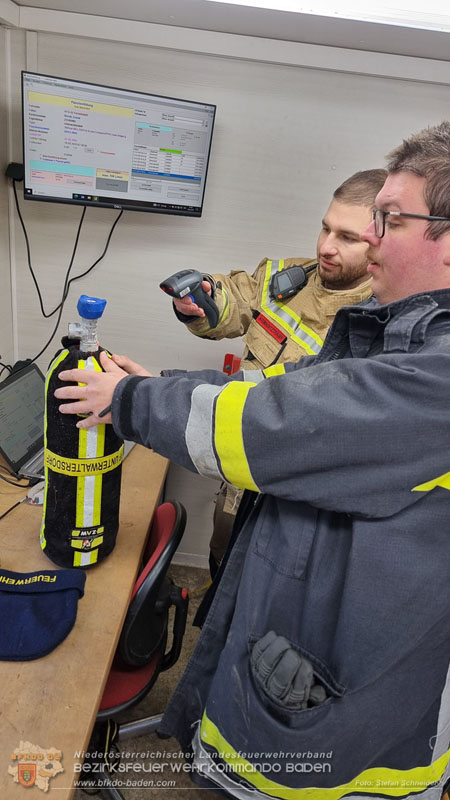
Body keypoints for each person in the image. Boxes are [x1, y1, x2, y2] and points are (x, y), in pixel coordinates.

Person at [55, 121, 450, 800]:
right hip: (302, 598)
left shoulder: (433, 371)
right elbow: (282, 393)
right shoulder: (396, 332)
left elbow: (278, 427)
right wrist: (159, 389)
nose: (365, 238)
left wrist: (130, 402)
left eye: (388, 220)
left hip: (353, 720)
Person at [167, 169, 387, 575]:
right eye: (325, 228)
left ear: (382, 243)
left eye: (347, 237)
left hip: (298, 503)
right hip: (237, 479)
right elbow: (235, 298)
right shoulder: (288, 278)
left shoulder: (383, 319)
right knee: (222, 560)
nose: (327, 246)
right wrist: (203, 300)